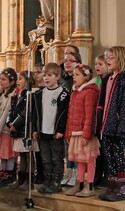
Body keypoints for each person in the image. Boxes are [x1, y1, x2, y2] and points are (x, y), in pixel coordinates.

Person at [96, 46, 125, 201]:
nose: (107, 60)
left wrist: (123, 128)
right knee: (109, 157)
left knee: (119, 157)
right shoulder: (107, 78)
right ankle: (112, 187)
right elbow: (102, 104)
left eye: (110, 57)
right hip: (107, 125)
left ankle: (120, 189)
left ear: (120, 58)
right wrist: (99, 125)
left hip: (119, 126)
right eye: (106, 57)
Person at [32, 63, 70, 194]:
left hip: (55, 133)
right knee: (45, 160)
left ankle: (56, 183)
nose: (46, 78)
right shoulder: (39, 94)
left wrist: (61, 130)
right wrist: (34, 129)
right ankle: (47, 181)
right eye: (44, 75)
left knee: (56, 159)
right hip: (42, 132)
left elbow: (64, 114)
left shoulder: (63, 94)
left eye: (50, 75)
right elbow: (35, 114)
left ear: (58, 76)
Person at [64, 64, 100, 197]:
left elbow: (90, 115)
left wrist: (86, 134)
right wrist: (68, 132)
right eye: (73, 75)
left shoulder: (90, 91)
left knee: (89, 159)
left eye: (77, 74)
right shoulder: (75, 92)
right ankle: (78, 184)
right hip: (75, 132)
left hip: (85, 133)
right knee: (79, 159)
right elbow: (70, 114)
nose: (74, 77)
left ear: (86, 76)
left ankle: (89, 185)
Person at [7, 70, 39, 191]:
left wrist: (15, 124)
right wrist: (9, 122)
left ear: (28, 80)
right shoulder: (17, 94)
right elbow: (12, 110)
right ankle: (20, 179)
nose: (17, 81)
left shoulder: (30, 94)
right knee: (22, 155)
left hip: (27, 129)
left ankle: (29, 180)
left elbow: (26, 111)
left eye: (20, 78)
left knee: (28, 155)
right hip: (18, 129)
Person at [60, 51, 82, 187]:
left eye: (70, 60)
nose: (67, 63)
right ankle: (68, 171)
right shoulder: (62, 80)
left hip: (76, 119)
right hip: (65, 119)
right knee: (67, 149)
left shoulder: (79, 81)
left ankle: (76, 173)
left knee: (76, 149)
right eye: (65, 60)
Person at [0, 68, 18, 187]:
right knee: (2, 153)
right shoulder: (4, 95)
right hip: (2, 130)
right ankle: (3, 173)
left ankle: (9, 174)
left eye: (3, 79)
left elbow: (6, 113)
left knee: (9, 154)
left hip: (6, 130)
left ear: (11, 82)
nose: (0, 81)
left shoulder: (13, 95)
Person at [94, 54, 109, 187]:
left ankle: (105, 175)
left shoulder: (108, 79)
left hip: (104, 118)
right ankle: (97, 175)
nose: (97, 66)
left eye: (100, 64)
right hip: (96, 118)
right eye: (96, 64)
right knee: (98, 150)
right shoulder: (95, 81)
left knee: (104, 149)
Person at [33, 63, 45, 184]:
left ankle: (44, 174)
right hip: (37, 124)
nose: (36, 74)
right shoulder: (35, 89)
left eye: (39, 72)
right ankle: (39, 172)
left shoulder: (46, 90)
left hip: (45, 124)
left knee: (44, 153)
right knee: (37, 152)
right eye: (35, 72)